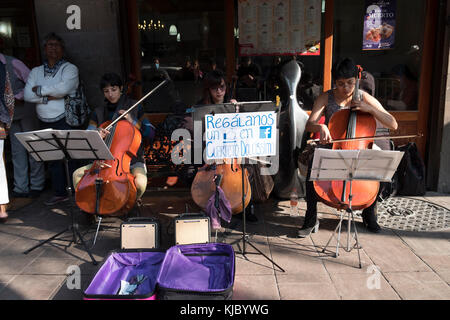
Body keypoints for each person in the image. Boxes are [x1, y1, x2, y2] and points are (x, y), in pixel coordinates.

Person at [299, 57, 398, 237]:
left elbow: (393, 124)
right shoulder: (326, 97)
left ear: (356, 80)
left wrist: (371, 110)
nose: (346, 88)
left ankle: (369, 213)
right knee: (314, 169)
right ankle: (310, 218)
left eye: (350, 83)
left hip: (360, 148)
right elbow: (309, 124)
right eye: (340, 83)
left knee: (380, 169)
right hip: (335, 147)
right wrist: (321, 127)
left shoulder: (364, 97)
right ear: (334, 81)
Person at [72, 73, 149, 210]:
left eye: (114, 89)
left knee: (140, 182)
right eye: (106, 91)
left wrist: (133, 121)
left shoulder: (135, 107)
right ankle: (91, 209)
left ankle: (129, 203)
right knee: (77, 175)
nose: (110, 94)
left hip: (132, 160)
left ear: (121, 88)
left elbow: (151, 133)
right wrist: (96, 135)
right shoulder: (98, 112)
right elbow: (88, 136)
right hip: (102, 161)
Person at [24, 32, 79, 206]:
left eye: (56, 45)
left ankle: (78, 192)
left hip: (66, 119)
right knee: (53, 158)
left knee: (71, 156)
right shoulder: (36, 71)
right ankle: (60, 192)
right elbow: (27, 95)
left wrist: (39, 91)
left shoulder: (69, 68)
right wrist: (50, 95)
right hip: (44, 119)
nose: (52, 48)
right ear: (44, 49)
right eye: (49, 45)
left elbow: (64, 89)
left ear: (62, 49)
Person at [0, 53, 45, 200]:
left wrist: (18, 97)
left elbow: (32, 83)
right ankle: (21, 187)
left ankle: (37, 185)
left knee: (33, 145)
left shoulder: (12, 62)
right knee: (16, 150)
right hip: (8, 113)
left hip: (25, 109)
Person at [0, 57, 15, 222]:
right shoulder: (1, 67)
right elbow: (9, 97)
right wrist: (7, 122)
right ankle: (2, 209)